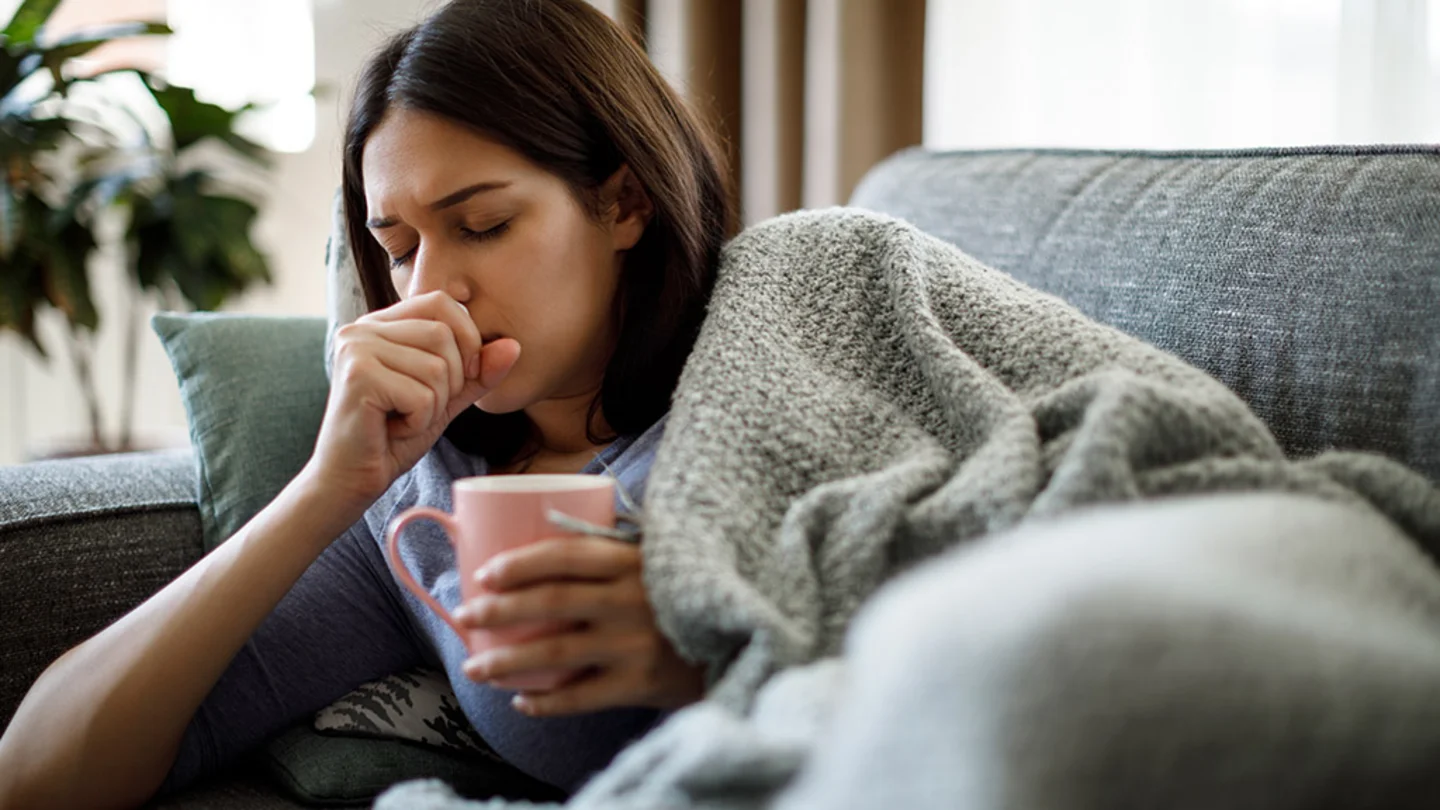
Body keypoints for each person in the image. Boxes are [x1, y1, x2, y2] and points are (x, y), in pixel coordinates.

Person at [0, 1, 734, 807]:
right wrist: (325, 489)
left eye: (483, 225)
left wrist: (709, 663)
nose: (430, 291)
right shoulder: (419, 511)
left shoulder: (764, 384)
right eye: (400, 249)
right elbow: (33, 778)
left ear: (626, 203)